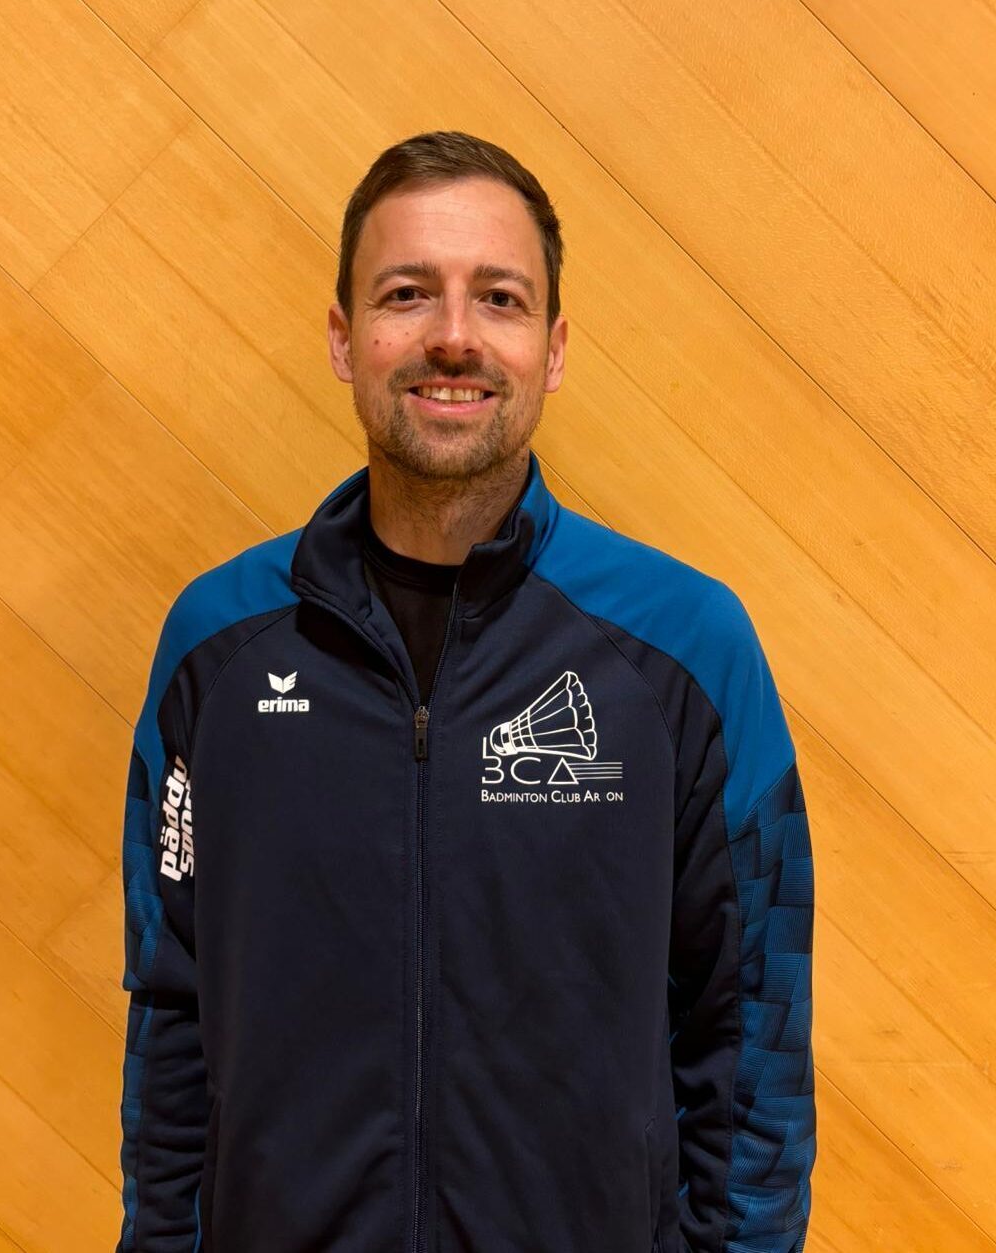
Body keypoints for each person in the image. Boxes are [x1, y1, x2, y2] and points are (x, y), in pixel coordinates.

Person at [115, 130, 816, 1253]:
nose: (453, 335)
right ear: (344, 338)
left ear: (554, 347)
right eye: (406, 293)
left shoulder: (685, 650)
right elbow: (171, 1016)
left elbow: (755, 1040)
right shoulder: (218, 649)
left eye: (499, 297)